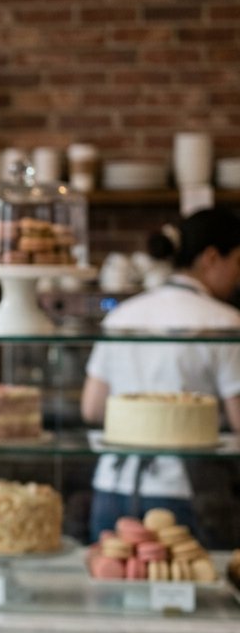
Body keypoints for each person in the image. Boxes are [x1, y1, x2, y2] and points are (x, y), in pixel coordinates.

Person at [81, 207, 240, 543]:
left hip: (112, 486)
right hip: (188, 493)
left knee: (116, 591)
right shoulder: (226, 323)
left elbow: (92, 409)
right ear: (212, 258)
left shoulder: (121, 316)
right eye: (238, 262)